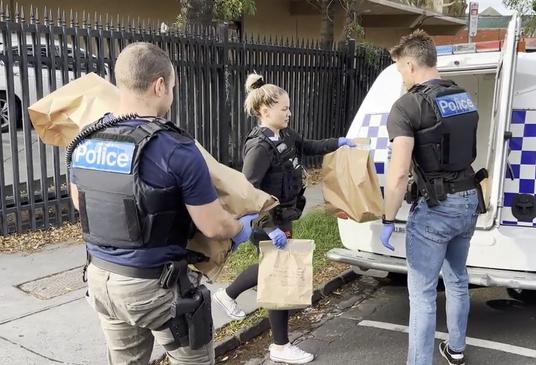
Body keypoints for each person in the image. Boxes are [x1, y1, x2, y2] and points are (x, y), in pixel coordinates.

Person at [67, 42, 258, 365]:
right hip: (156, 288)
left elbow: (79, 203)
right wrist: (240, 228)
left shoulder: (87, 138)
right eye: (171, 87)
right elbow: (211, 224)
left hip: (102, 281)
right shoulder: (175, 147)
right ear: (159, 85)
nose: (171, 94)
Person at [212, 73, 356, 364]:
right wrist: (270, 227)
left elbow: (310, 147)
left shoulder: (286, 136)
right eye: (284, 108)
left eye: (289, 108)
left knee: (272, 269)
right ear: (265, 110)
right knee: (279, 276)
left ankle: (228, 295)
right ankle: (280, 346)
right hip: (268, 222)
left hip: (283, 217)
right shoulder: (259, 148)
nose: (289, 113)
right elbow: (247, 193)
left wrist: (338, 142)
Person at [380, 30, 481, 365]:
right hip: (469, 201)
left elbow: (398, 174)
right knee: (457, 280)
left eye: (399, 70)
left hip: (436, 209)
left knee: (422, 294)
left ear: (410, 64)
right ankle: (456, 349)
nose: (400, 77)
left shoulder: (406, 106)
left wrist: (387, 217)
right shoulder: (462, 96)